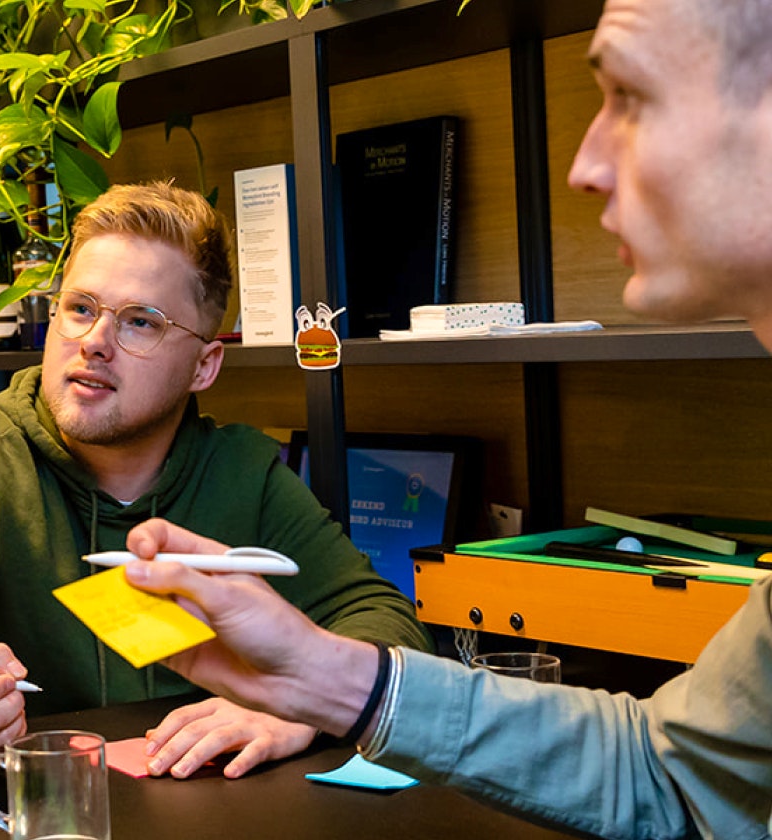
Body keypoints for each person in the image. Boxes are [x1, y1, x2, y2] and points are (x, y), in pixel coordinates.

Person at [120, 1, 772, 836]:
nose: (584, 164)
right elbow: (669, 775)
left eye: (632, 98)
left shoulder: (238, 462)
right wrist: (320, 679)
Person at [0, 181, 432, 776]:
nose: (94, 342)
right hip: (43, 813)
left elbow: (387, 626)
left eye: (140, 322)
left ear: (204, 364)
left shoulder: (243, 472)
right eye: (80, 309)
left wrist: (302, 710)